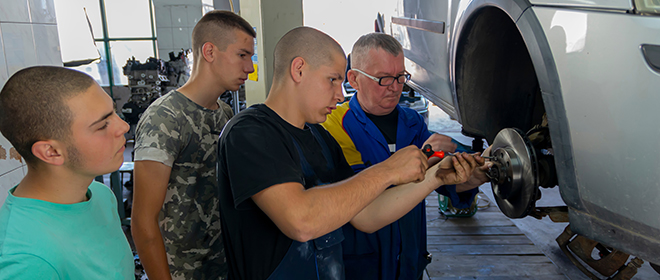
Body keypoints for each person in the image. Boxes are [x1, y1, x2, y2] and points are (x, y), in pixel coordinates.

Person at [217, 26, 480, 280]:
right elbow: (301, 220)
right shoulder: (250, 132)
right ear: (299, 70)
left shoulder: (320, 138)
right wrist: (389, 170)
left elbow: (366, 216)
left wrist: (435, 178)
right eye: (332, 80)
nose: (341, 95)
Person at [321, 32, 491, 280]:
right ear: (354, 79)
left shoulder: (412, 123)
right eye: (383, 79)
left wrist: (475, 176)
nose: (395, 87)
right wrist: (424, 159)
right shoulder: (336, 128)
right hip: (361, 266)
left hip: (409, 264)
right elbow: (360, 201)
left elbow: (443, 180)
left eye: (401, 77)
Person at [131, 10, 255, 280]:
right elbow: (143, 222)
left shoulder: (225, 114)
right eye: (242, 55)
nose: (250, 67)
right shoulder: (165, 118)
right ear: (209, 51)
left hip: (224, 266)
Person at [0, 66, 133, 279]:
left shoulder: (100, 195)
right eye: (102, 125)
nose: (123, 126)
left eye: (114, 112)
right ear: (51, 152)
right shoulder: (26, 259)